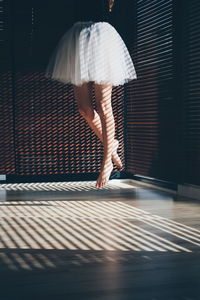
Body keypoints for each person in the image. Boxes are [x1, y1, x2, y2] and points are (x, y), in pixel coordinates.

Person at [45, 0, 137, 189]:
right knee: (84, 109)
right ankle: (112, 143)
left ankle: (107, 163)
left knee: (104, 106)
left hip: (101, 37)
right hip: (77, 36)